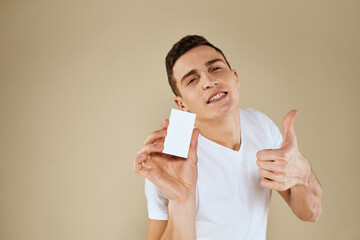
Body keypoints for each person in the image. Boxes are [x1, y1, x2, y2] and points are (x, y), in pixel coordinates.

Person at [134, 35, 323, 240]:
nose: (208, 81)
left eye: (215, 68)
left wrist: (304, 175)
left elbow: (310, 213)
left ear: (235, 78)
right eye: (192, 79)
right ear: (182, 106)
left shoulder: (260, 125)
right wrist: (181, 202)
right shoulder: (172, 154)